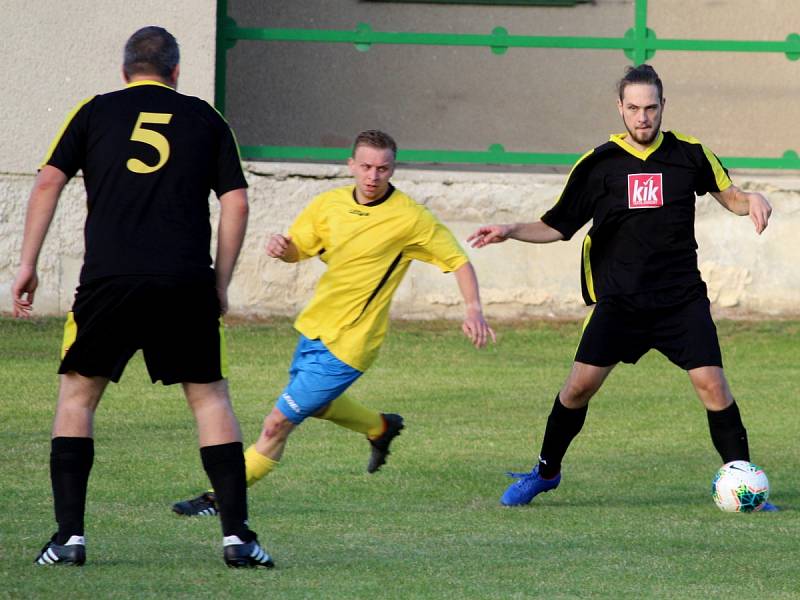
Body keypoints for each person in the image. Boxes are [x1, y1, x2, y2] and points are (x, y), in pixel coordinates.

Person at [12, 26, 273, 567]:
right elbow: (238, 203)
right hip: (183, 281)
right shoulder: (205, 116)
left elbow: (46, 183)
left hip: (109, 280)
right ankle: (237, 539)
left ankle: (68, 540)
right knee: (209, 398)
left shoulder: (94, 110)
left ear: (125, 69)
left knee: (78, 397)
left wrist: (27, 265)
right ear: (176, 72)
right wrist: (218, 282)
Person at [467, 64, 777, 510]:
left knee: (713, 387)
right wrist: (511, 228)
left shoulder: (690, 154)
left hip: (680, 300)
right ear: (620, 108)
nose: (642, 117)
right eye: (633, 108)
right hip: (620, 303)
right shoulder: (597, 165)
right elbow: (558, 225)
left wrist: (754, 199)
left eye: (651, 108)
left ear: (663, 107)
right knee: (577, 389)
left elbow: (731, 197)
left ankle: (746, 486)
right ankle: (545, 472)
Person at [172, 129, 495, 517]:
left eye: (383, 169)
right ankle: (380, 427)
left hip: (352, 343)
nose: (374, 176)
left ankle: (216, 498)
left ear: (393, 169)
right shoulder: (329, 204)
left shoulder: (410, 219)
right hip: (314, 329)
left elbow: (458, 260)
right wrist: (283, 249)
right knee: (319, 406)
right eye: (366, 167)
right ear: (351, 166)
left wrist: (473, 308)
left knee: (276, 424)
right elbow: (300, 247)